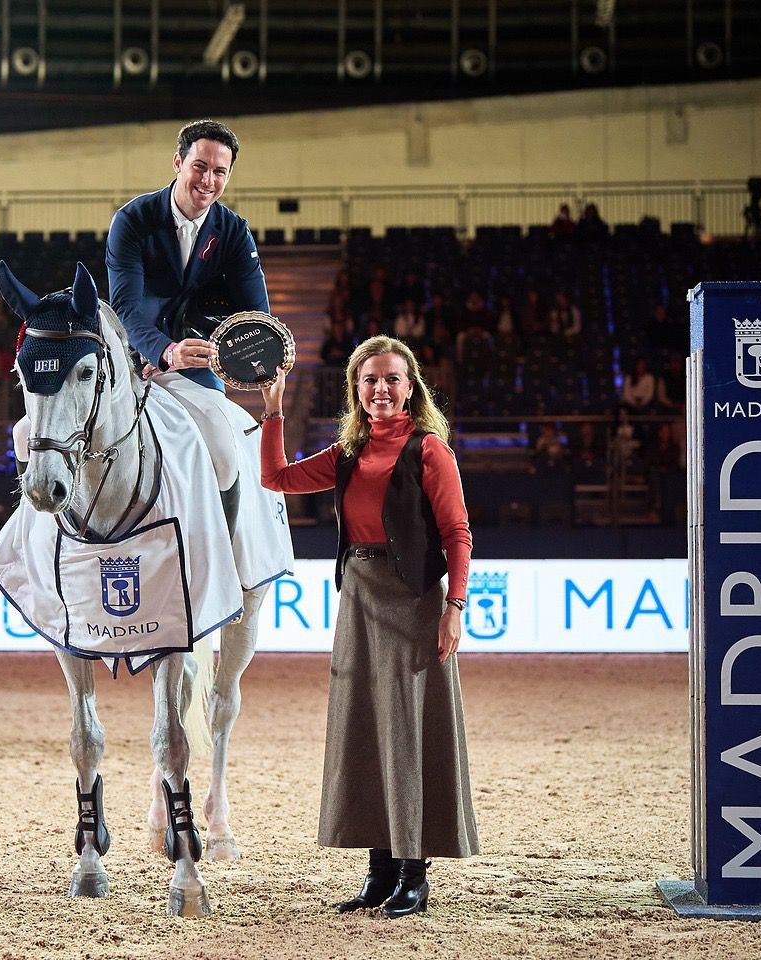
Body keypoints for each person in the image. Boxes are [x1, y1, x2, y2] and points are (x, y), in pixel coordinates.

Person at [258, 335, 478, 918]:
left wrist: (454, 607)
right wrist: (274, 408)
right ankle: (380, 871)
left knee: (406, 731)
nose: (380, 388)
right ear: (356, 389)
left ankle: (414, 872)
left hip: (412, 601)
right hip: (357, 594)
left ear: (411, 389)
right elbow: (276, 478)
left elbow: (457, 533)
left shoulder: (429, 449)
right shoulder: (348, 453)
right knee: (365, 730)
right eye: (370, 379)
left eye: (392, 379)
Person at [105, 118, 269, 515]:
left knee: (224, 454)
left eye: (219, 172)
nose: (208, 180)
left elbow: (257, 318)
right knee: (28, 433)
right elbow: (125, 306)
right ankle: (28, 559)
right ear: (178, 163)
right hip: (131, 357)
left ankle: (225, 563)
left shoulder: (234, 232)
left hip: (197, 361)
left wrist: (224, 355)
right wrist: (163, 351)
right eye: (200, 166)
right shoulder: (131, 220)